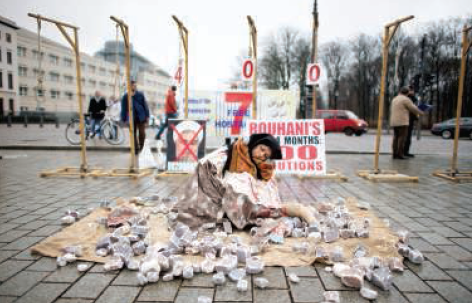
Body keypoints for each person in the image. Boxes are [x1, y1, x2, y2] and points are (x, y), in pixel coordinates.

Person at [172, 133, 316, 230]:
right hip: (223, 195)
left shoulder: (264, 168)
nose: (261, 155)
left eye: (266, 155)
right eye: (261, 149)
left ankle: (292, 211)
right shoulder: (233, 151)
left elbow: (268, 189)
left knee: (253, 189)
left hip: (246, 203)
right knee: (239, 181)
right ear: (255, 144)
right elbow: (206, 166)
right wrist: (221, 189)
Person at [390, 86, 423, 160]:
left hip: (394, 121)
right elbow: (413, 108)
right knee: (402, 138)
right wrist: (421, 112)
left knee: (395, 138)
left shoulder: (395, 98)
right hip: (402, 121)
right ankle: (400, 154)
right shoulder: (406, 99)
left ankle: (394, 154)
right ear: (407, 93)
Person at [121, 80, 150, 154]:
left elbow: (145, 105)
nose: (134, 86)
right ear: (129, 86)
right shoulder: (125, 96)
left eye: (135, 85)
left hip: (141, 116)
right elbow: (124, 108)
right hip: (131, 117)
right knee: (133, 134)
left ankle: (141, 146)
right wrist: (123, 118)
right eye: (133, 85)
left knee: (142, 133)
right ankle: (136, 149)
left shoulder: (140, 94)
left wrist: (147, 116)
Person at [404, 86, 418, 158]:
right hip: (406, 120)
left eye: (413, 90)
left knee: (408, 137)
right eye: (411, 90)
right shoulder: (407, 98)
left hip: (410, 119)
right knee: (406, 137)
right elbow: (411, 109)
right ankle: (404, 152)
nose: (412, 92)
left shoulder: (413, 98)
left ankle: (406, 151)